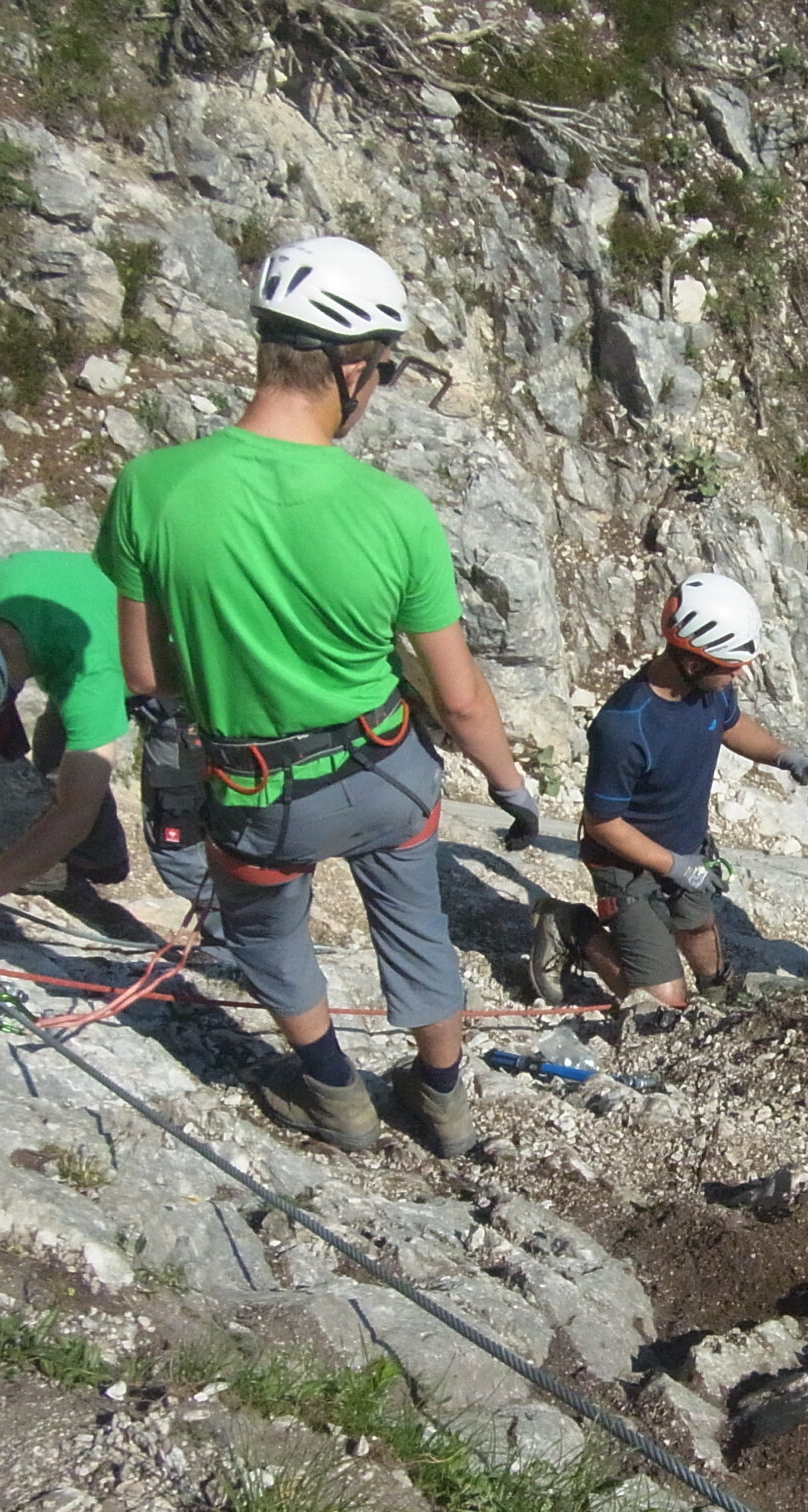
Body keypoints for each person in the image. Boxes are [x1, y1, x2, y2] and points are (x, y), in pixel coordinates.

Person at [95, 234, 541, 1157]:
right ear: (349, 365)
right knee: (415, 921)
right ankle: (445, 1100)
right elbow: (459, 702)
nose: (377, 389)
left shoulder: (153, 488)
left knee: (267, 935)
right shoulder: (396, 511)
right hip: (386, 774)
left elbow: (146, 677)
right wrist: (509, 788)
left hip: (261, 795)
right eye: (381, 368)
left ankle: (337, 1096)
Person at [528, 572, 808, 1011]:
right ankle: (574, 928)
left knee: (698, 928)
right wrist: (673, 866)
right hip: (627, 864)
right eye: (731, 667)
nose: (740, 674)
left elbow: (732, 726)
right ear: (695, 663)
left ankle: (719, 987)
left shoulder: (708, 691)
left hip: (686, 847)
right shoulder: (625, 726)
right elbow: (602, 823)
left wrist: (786, 756)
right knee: (663, 1003)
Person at [0, 549, 216, 945]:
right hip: (109, 629)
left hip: (182, 669)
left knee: (177, 846)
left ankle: (244, 950)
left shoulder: (89, 681)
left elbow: (76, 811)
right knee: (54, 750)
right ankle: (97, 860)